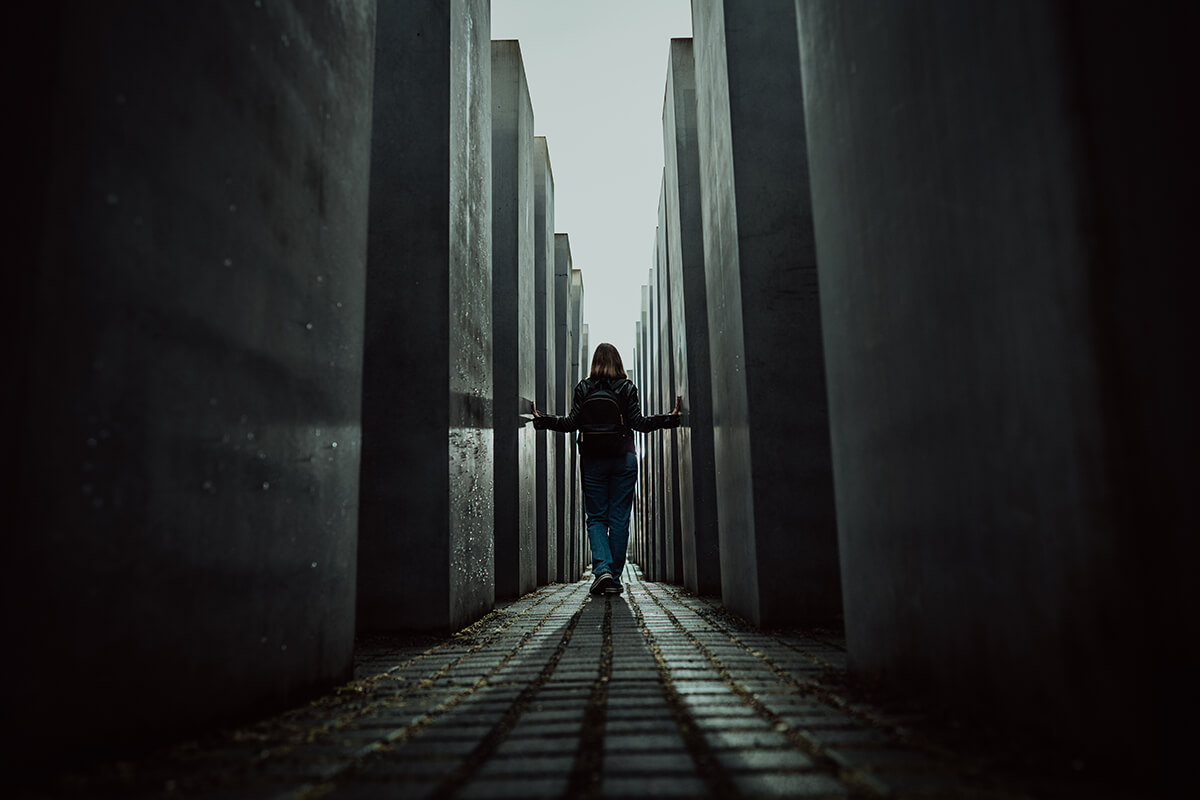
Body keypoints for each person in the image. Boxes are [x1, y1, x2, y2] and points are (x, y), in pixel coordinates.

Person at [531, 342, 681, 596]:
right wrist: (670, 418)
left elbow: (570, 424)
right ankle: (614, 576)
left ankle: (603, 571)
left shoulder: (584, 387)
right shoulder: (627, 387)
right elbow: (640, 424)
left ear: (594, 363)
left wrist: (542, 420)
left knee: (597, 517)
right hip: (624, 459)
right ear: (618, 362)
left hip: (592, 460)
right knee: (620, 518)